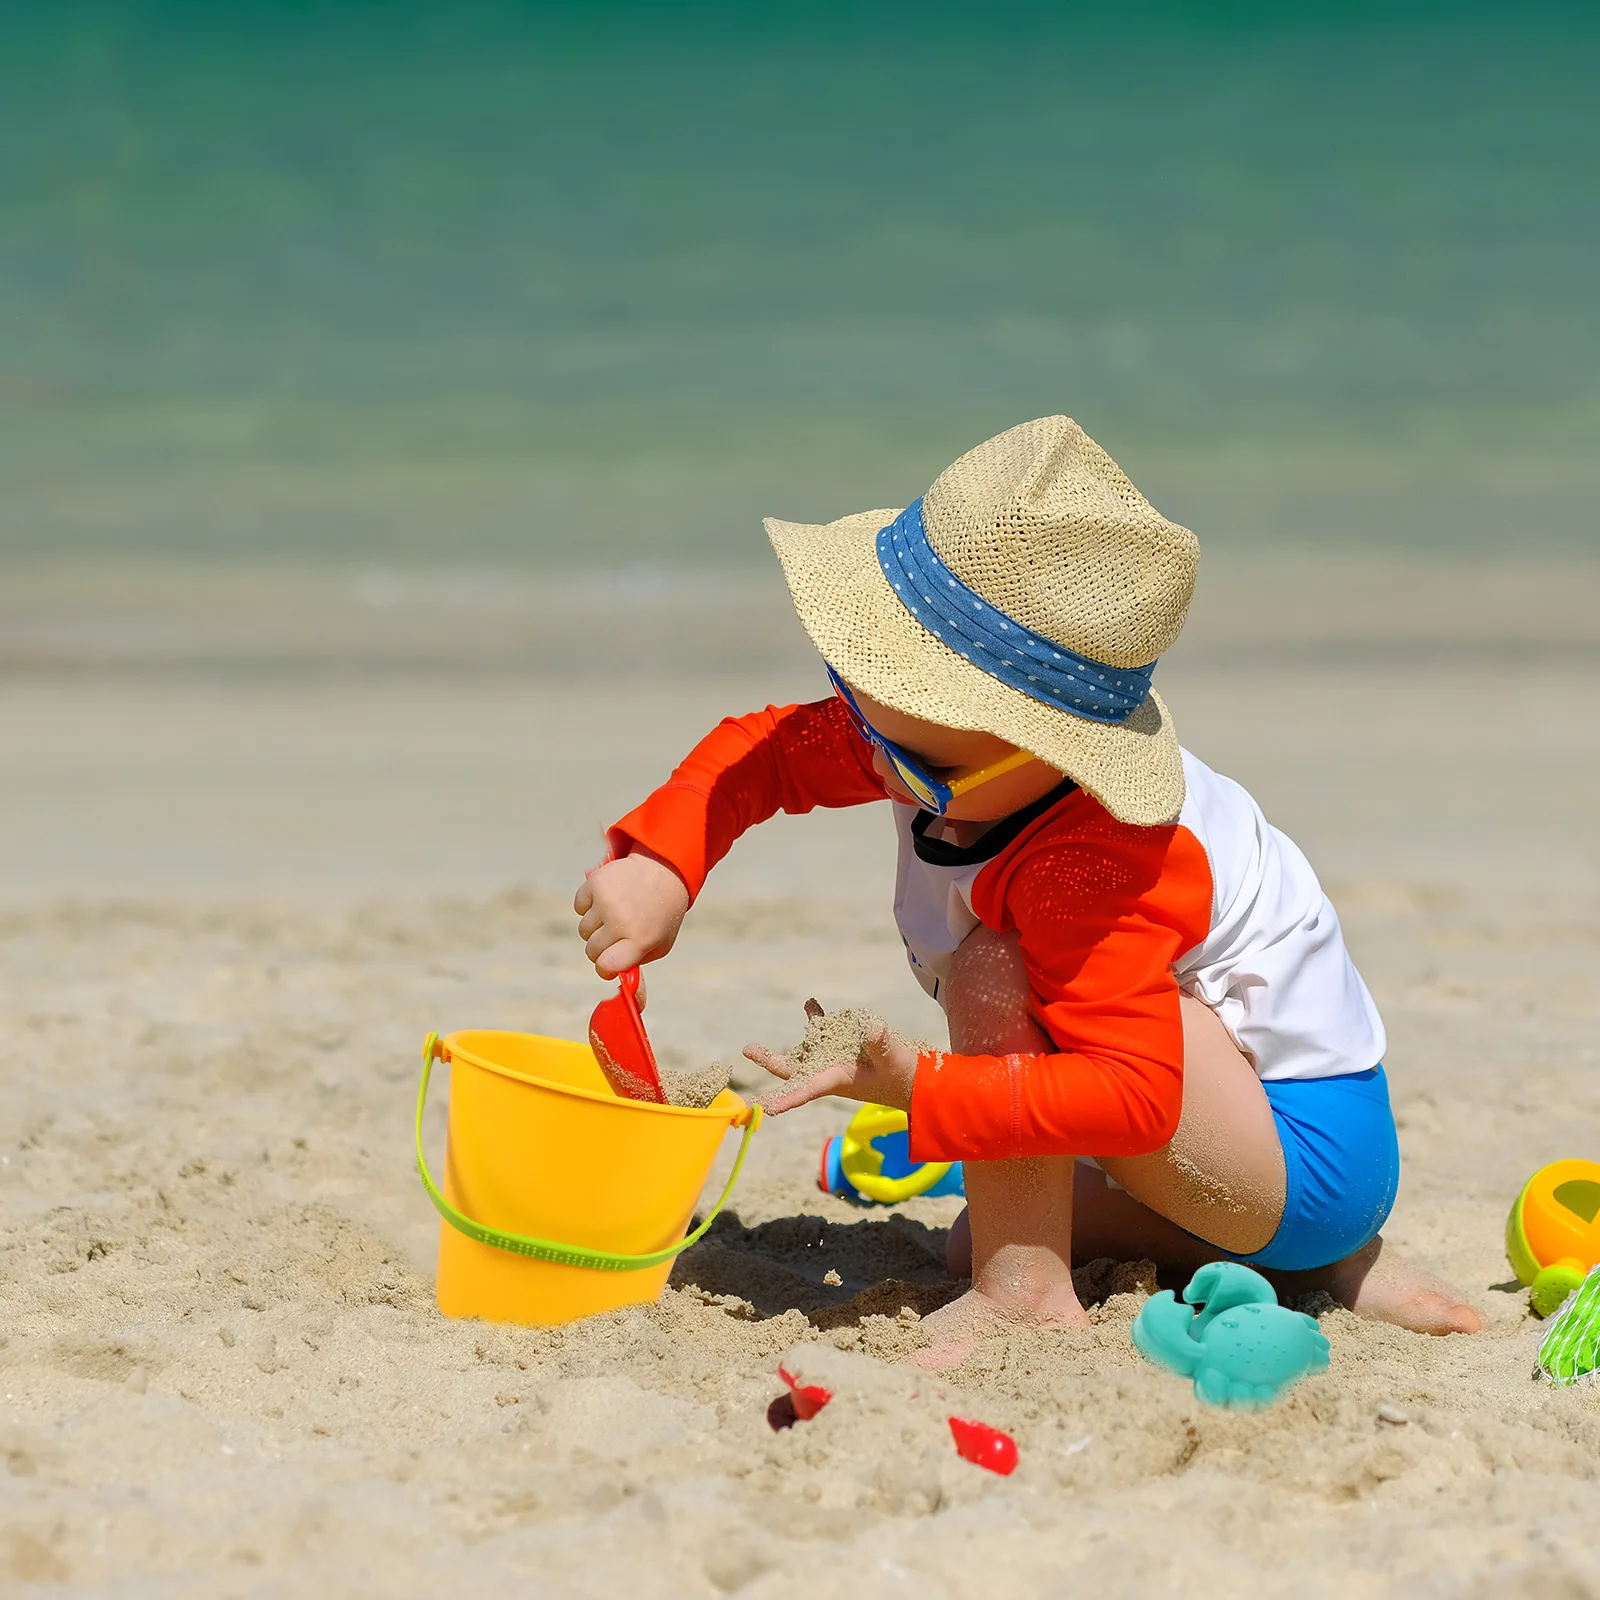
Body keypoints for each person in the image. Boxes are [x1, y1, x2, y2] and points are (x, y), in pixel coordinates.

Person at [573, 416, 1480, 1358]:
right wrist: (662, 864)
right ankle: (1316, 1271)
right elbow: (764, 755)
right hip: (1229, 1140)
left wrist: (917, 1086)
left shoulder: (1096, 856)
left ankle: (1030, 1297)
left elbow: (1133, 1100)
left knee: (990, 964)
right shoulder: (931, 743)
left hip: (1302, 1157)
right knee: (982, 1227)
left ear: (1051, 750)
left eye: (913, 763)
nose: (872, 764)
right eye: (856, 695)